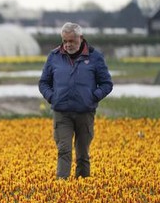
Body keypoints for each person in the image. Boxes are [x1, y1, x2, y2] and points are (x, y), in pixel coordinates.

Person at [39, 22, 113, 179]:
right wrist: (52, 97)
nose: (67, 45)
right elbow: (43, 83)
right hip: (62, 113)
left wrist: (92, 97)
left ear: (81, 38)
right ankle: (62, 185)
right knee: (64, 149)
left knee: (82, 154)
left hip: (85, 112)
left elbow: (107, 84)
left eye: (71, 41)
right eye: (65, 41)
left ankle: (82, 187)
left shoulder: (95, 57)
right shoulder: (54, 56)